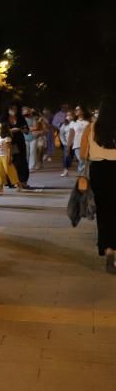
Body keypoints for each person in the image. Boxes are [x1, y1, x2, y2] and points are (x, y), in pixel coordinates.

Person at [81, 97, 116, 273]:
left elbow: (82, 153)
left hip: (98, 172)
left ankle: (108, 249)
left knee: (103, 213)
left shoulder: (91, 127)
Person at [0, 123, 24, 194]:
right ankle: (0, 187)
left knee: (9, 171)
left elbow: (9, 149)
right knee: (0, 172)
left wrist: (9, 158)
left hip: (5, 156)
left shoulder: (7, 138)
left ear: (3, 129)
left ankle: (18, 184)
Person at [6, 105, 30, 187]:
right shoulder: (4, 119)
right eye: (12, 109)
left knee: (22, 162)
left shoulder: (21, 119)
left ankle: (23, 181)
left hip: (20, 143)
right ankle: (12, 181)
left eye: (15, 109)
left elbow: (27, 131)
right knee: (11, 162)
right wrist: (10, 130)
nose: (13, 110)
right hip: (9, 143)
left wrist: (20, 129)